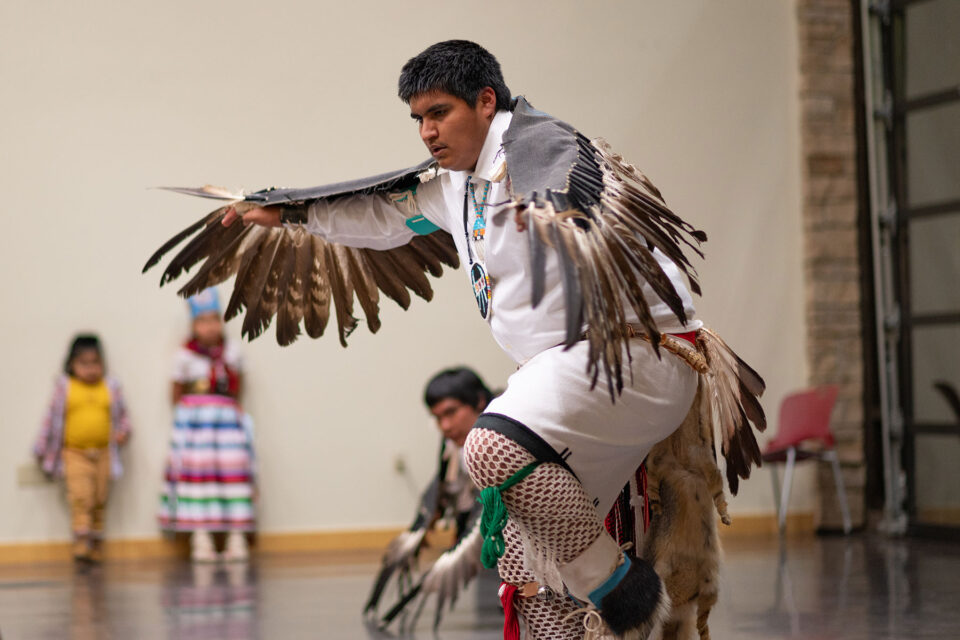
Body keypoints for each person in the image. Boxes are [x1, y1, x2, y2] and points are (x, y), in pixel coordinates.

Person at [149, 40, 764, 639]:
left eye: (439, 113)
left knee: (491, 447)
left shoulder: (542, 148)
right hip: (572, 372)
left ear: (487, 102)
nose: (426, 131)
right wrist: (286, 211)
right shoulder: (457, 186)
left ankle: (621, 587)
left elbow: (584, 197)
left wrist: (562, 225)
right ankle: (601, 602)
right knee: (528, 569)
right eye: (418, 118)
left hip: (632, 354)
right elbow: (382, 214)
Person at [365, 367, 493, 625]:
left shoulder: (501, 436)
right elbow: (438, 490)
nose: (444, 426)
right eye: (437, 417)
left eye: (451, 412)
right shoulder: (454, 443)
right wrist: (421, 527)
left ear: (479, 401)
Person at [158, 288, 257, 563]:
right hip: (197, 427)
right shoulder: (185, 356)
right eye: (203, 320)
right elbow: (176, 391)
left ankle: (236, 537)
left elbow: (239, 385)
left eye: (215, 319)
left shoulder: (233, 351)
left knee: (232, 476)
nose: (210, 326)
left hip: (226, 426)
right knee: (198, 479)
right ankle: (200, 538)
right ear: (193, 324)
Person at [34, 334, 132, 563]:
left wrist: (123, 433)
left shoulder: (109, 388)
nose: (90, 370)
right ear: (71, 365)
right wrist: (41, 447)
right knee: (81, 497)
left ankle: (96, 543)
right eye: (84, 364)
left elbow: (122, 416)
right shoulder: (66, 388)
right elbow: (51, 419)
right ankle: (81, 542)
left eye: (95, 363)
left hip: (104, 453)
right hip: (74, 453)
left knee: (100, 497)